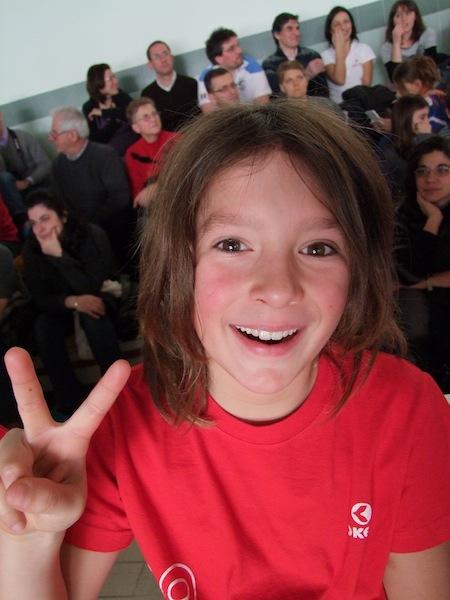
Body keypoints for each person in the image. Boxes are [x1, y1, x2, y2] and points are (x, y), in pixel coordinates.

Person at [0, 101, 450, 600]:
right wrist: (28, 544)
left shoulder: (405, 407)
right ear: (179, 264)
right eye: (232, 245)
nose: (277, 288)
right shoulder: (124, 425)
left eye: (318, 248)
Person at [22, 190, 122, 418]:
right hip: (64, 305)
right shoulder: (32, 247)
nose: (40, 229)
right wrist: (73, 301)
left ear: (63, 216)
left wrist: (60, 257)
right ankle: (68, 400)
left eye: (45, 219)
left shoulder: (90, 235)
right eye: (34, 223)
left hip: (100, 294)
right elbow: (40, 298)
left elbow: (92, 286)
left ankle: (119, 390)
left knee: (93, 313)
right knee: (44, 325)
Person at [50, 107, 134, 270]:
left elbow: (120, 199)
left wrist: (89, 223)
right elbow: (58, 199)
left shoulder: (105, 155)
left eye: (54, 133)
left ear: (72, 135)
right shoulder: (57, 165)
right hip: (78, 229)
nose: (50, 138)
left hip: (109, 225)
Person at [396, 136, 450, 390]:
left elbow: (416, 278)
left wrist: (428, 282)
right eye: (423, 171)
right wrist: (433, 220)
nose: (431, 179)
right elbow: (408, 275)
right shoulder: (403, 215)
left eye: (442, 170)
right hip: (418, 304)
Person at [198, 28, 271, 112]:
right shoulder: (205, 77)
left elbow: (264, 107)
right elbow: (209, 114)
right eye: (231, 49)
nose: (239, 51)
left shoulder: (253, 67)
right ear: (219, 59)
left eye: (238, 45)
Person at [0, 112, 51, 229]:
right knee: (4, 178)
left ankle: (24, 223)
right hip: (11, 196)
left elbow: (46, 165)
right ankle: (22, 220)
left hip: (36, 186)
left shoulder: (23, 137)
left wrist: (28, 181)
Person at [124, 98, 177, 207]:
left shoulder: (177, 139)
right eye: (146, 117)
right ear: (136, 128)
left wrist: (156, 187)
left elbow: (185, 176)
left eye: (154, 114)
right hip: (156, 207)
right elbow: (139, 197)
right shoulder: (132, 153)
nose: (153, 119)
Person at [262, 12, 329, 98]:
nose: (297, 33)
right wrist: (307, 75)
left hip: (315, 105)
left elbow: (324, 93)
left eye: (297, 28)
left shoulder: (312, 55)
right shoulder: (269, 65)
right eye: (289, 29)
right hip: (288, 107)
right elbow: (275, 98)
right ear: (276, 34)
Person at [380, 94, 431, 197]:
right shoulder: (390, 152)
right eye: (422, 117)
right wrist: (424, 137)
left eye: (427, 116)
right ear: (406, 119)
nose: (427, 122)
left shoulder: (430, 139)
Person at [321, 6, 375, 104]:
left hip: (362, 104)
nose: (343, 27)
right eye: (337, 24)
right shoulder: (325, 56)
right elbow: (340, 80)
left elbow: (366, 87)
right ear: (330, 30)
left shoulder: (364, 49)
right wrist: (339, 48)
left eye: (346, 22)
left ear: (351, 24)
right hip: (338, 108)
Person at [141, 40, 199, 132]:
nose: (163, 60)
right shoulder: (147, 94)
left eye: (165, 54)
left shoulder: (191, 84)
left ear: (172, 57)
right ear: (150, 65)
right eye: (157, 57)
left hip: (194, 135)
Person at [82, 64, 137, 156]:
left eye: (114, 76)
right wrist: (115, 122)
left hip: (134, 146)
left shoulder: (120, 95)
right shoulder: (89, 107)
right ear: (98, 84)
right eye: (110, 79)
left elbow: (134, 114)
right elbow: (96, 140)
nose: (116, 81)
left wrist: (103, 113)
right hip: (111, 155)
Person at [381, 1, 438, 82]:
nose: (403, 19)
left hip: (427, 81)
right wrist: (396, 43)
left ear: (415, 16)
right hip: (403, 86)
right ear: (393, 21)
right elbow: (395, 79)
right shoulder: (386, 48)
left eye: (407, 13)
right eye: (398, 15)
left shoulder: (427, 33)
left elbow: (432, 69)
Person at [393, 56, 448, 133]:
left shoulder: (430, 118)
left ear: (417, 85)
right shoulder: (433, 98)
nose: (397, 94)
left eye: (401, 88)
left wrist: (394, 127)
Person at [277, 60, 343, 116]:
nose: (296, 83)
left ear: (306, 81)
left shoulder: (327, 106)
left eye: (299, 78)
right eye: (289, 80)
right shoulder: (280, 118)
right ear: (282, 87)